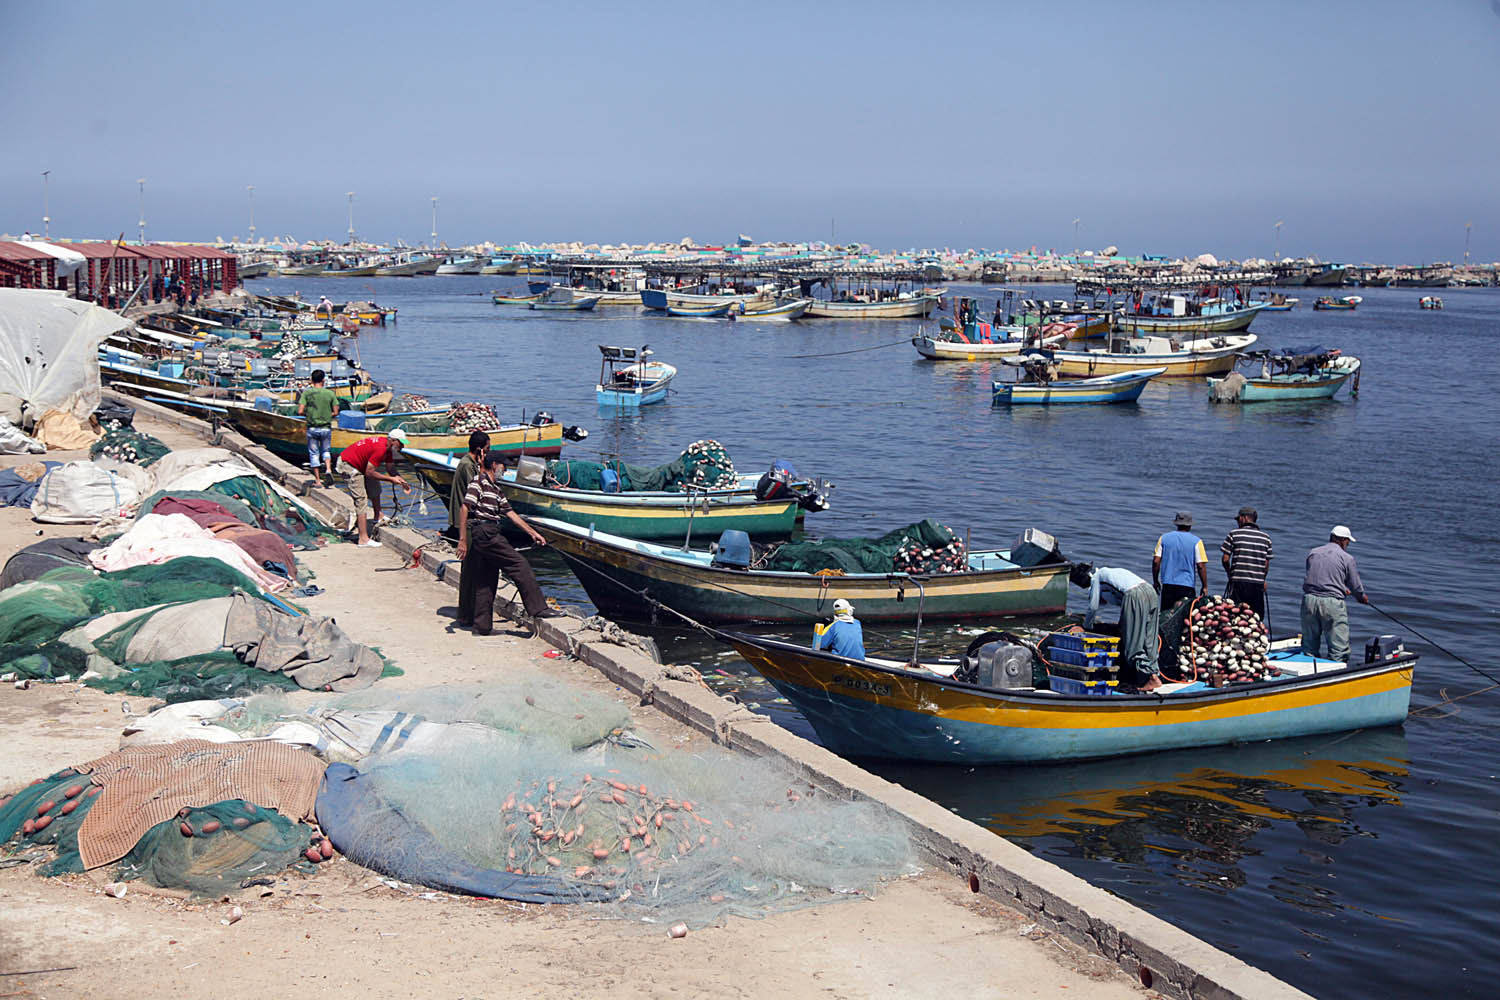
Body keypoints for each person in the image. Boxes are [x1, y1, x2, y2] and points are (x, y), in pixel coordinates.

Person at [455, 451, 560, 635]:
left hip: (490, 531)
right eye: (503, 466)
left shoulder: (496, 489)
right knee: (519, 565)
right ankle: (537, 608)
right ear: (494, 465)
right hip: (485, 532)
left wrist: (533, 533)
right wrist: (462, 540)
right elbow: (465, 508)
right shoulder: (478, 482)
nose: (505, 470)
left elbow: (512, 515)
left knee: (487, 580)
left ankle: (482, 627)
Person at [1071, 564, 1161, 691]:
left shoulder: (1096, 578)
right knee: (1149, 641)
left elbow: (1093, 607)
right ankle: (1153, 676)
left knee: (1133, 646)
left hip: (1135, 594)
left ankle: (1151, 677)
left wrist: (1086, 628)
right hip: (1150, 591)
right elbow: (1127, 608)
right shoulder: (1111, 573)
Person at [1301, 525, 1368, 662]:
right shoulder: (1347, 558)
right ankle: (1336, 673)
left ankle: (1308, 670)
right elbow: (1355, 585)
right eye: (1348, 542)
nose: (1348, 545)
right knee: (1339, 647)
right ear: (1343, 540)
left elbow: (1317, 576)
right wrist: (1361, 597)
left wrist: (1341, 587)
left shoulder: (1313, 552)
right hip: (1332, 604)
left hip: (1309, 600)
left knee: (1309, 644)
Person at [336, 428, 411, 547]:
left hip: (361, 465)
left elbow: (390, 467)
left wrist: (400, 479)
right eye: (400, 443)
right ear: (393, 440)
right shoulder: (380, 449)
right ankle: (363, 539)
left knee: (376, 489)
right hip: (348, 464)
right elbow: (369, 473)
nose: (402, 447)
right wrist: (391, 479)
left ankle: (378, 515)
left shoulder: (388, 448)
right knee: (361, 500)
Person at [1221, 506, 1273, 620]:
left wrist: (1230, 575)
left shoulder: (1234, 534)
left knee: (1235, 614)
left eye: (1238, 519)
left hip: (1238, 582)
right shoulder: (1266, 538)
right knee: (1256, 617)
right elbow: (1266, 565)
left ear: (1244, 518)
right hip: (1257, 584)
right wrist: (1263, 579)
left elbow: (1225, 559)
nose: (1237, 522)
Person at [1154, 512, 1207, 612]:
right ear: (1190, 525)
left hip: (1168, 585)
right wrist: (1204, 586)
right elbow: (1200, 566)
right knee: (1183, 617)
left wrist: (1156, 581)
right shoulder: (1197, 541)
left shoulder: (1164, 538)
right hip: (1187, 586)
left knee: (1166, 615)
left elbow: (1156, 561)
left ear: (1176, 524)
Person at [296, 369, 339, 486]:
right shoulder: (330, 394)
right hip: (326, 428)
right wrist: (326, 415)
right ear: (324, 380)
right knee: (326, 451)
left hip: (312, 428)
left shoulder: (306, 393)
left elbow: (300, 411)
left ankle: (318, 480)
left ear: (311, 380)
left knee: (314, 453)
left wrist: (309, 414)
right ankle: (329, 469)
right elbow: (335, 412)